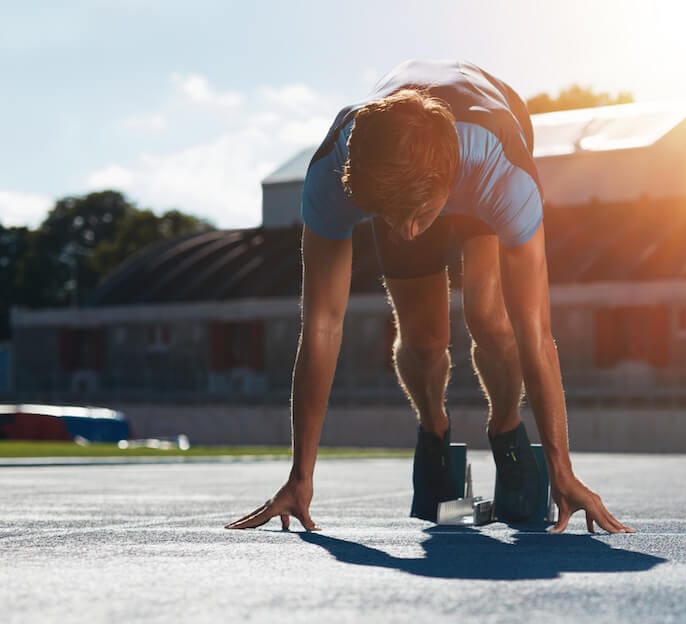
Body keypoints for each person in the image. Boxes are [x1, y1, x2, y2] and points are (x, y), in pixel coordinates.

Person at [227, 60, 631, 534]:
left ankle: (505, 429)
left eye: (419, 216)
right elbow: (320, 327)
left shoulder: (500, 169)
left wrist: (563, 471)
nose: (408, 232)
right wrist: (299, 478)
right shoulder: (333, 173)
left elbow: (536, 333)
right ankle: (434, 430)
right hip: (402, 166)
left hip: (484, 145)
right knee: (423, 340)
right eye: (391, 218)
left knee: (492, 319)